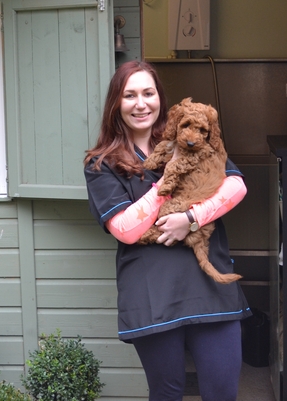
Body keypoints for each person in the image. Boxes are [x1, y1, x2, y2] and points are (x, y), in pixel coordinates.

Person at [84, 60, 250, 401]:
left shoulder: (192, 136)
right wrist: (169, 177)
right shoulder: (101, 165)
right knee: (167, 393)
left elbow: (234, 186)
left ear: (160, 98)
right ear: (116, 103)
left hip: (208, 287)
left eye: (149, 93)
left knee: (222, 391)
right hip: (152, 294)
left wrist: (190, 219)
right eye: (130, 95)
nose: (141, 103)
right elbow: (126, 229)